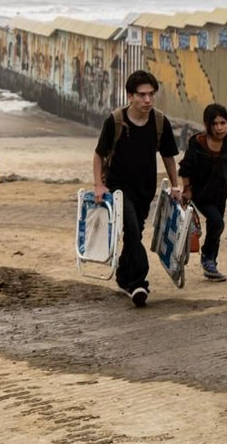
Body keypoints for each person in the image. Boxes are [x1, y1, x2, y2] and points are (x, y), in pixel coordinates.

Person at [92, 69, 181, 307]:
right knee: (131, 229)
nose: (147, 100)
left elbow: (169, 156)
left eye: (151, 94)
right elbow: (99, 155)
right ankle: (139, 283)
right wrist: (99, 185)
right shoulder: (116, 121)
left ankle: (123, 276)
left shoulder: (160, 122)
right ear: (130, 95)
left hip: (145, 189)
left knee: (135, 234)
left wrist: (176, 186)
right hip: (118, 188)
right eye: (142, 95)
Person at [177, 103, 227, 282]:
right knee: (217, 222)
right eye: (215, 124)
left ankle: (211, 264)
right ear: (208, 125)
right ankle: (207, 259)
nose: (219, 127)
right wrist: (187, 189)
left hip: (220, 194)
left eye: (223, 123)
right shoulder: (197, 143)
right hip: (201, 193)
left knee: (216, 227)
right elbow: (185, 168)